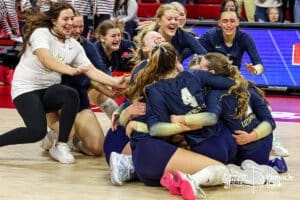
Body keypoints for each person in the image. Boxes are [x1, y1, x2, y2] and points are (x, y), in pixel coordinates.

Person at [124, 42, 274, 199]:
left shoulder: (153, 90)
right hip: (225, 141)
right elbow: (230, 85)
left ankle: (187, 177)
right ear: (176, 59)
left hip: (203, 147)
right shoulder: (197, 76)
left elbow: (158, 131)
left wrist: (179, 124)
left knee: (175, 146)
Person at [0, 2, 126, 164]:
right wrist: (70, 70)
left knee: (70, 94)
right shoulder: (41, 33)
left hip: (48, 90)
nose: (70, 23)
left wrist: (115, 82)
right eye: (65, 19)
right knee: (36, 131)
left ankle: (61, 145)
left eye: (72, 19)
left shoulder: (74, 45)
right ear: (54, 20)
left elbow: (91, 70)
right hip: (26, 90)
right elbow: (46, 59)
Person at [42, 11, 120, 156]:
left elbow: (100, 73)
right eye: (74, 26)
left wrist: (116, 85)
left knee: (97, 149)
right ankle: (49, 140)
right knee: (67, 130)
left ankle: (75, 140)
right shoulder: (47, 44)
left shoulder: (87, 46)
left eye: (81, 26)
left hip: (79, 102)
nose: (78, 30)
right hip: (54, 102)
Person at [90, 19, 136, 119]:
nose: (117, 39)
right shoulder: (95, 51)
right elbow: (104, 79)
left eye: (119, 35)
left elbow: (140, 53)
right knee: (104, 90)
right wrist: (113, 93)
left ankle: (119, 122)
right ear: (102, 38)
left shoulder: (124, 44)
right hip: (82, 84)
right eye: (113, 36)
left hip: (101, 80)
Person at [199, 7, 264, 75]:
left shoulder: (245, 38)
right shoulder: (211, 35)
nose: (229, 25)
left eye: (232, 21)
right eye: (225, 21)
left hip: (234, 77)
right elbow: (191, 50)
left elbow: (259, 65)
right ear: (219, 23)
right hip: (212, 76)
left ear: (237, 22)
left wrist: (255, 70)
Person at [137, 3, 207, 62]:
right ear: (158, 21)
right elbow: (146, 67)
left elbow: (205, 55)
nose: (173, 22)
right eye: (169, 19)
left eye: (176, 19)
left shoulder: (183, 35)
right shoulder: (150, 37)